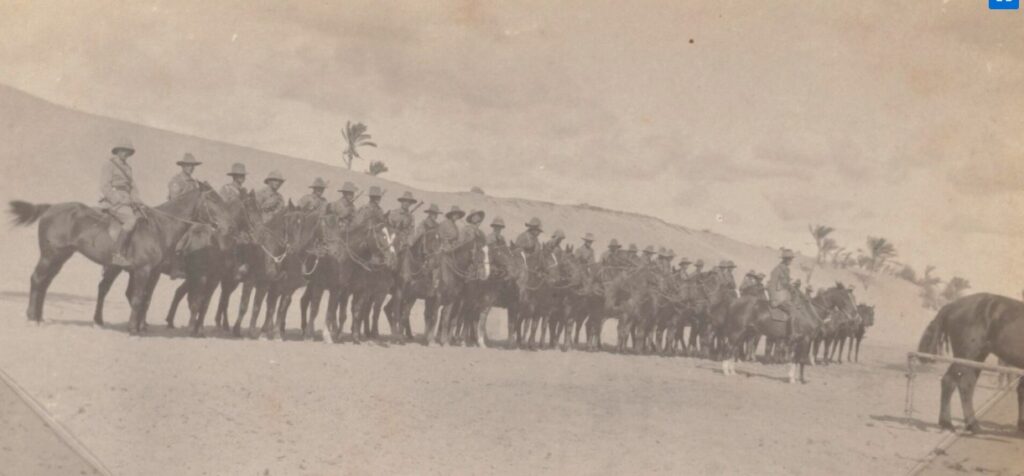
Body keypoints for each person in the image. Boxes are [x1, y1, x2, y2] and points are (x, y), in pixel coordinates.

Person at [100, 139, 144, 266]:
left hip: (128, 201)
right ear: (117, 151)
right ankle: (116, 254)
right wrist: (119, 199)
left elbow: (132, 187)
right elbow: (105, 186)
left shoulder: (128, 168)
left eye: (128, 151)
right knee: (131, 220)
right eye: (123, 150)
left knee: (144, 218)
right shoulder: (109, 165)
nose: (125, 153)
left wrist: (136, 199)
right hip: (114, 201)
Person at [767, 249, 796, 319]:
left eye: (791, 259)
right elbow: (772, 285)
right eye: (790, 259)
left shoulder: (786, 270)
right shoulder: (777, 270)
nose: (791, 261)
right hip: (779, 297)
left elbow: (786, 284)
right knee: (793, 312)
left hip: (785, 296)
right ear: (785, 259)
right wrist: (773, 299)